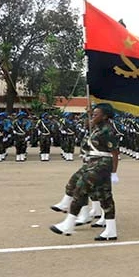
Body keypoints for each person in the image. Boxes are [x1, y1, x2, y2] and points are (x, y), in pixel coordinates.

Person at [50, 103, 120, 240]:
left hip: (102, 163)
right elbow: (87, 125)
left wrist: (114, 172)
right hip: (93, 162)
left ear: (105, 116)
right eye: (93, 114)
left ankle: (68, 223)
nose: (93, 116)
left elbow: (115, 153)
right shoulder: (97, 127)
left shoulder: (108, 130)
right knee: (104, 196)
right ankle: (111, 230)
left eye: (96, 114)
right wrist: (89, 114)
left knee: (81, 187)